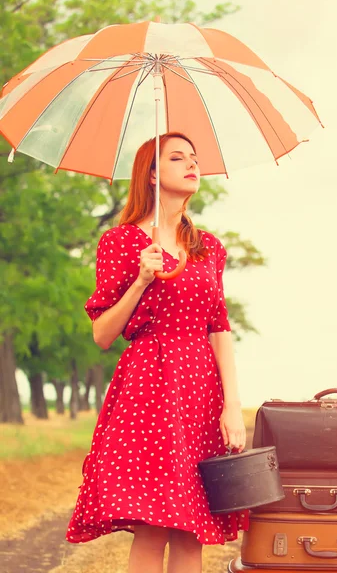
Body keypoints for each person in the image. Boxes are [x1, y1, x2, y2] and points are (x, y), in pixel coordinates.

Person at [66, 132, 249, 573]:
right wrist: (142, 280)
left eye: (195, 158)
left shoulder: (209, 248)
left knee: (192, 529)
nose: (192, 164)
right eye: (177, 157)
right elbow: (102, 334)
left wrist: (233, 404)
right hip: (148, 387)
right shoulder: (121, 242)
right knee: (153, 524)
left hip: (199, 389)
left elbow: (219, 327)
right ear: (151, 173)